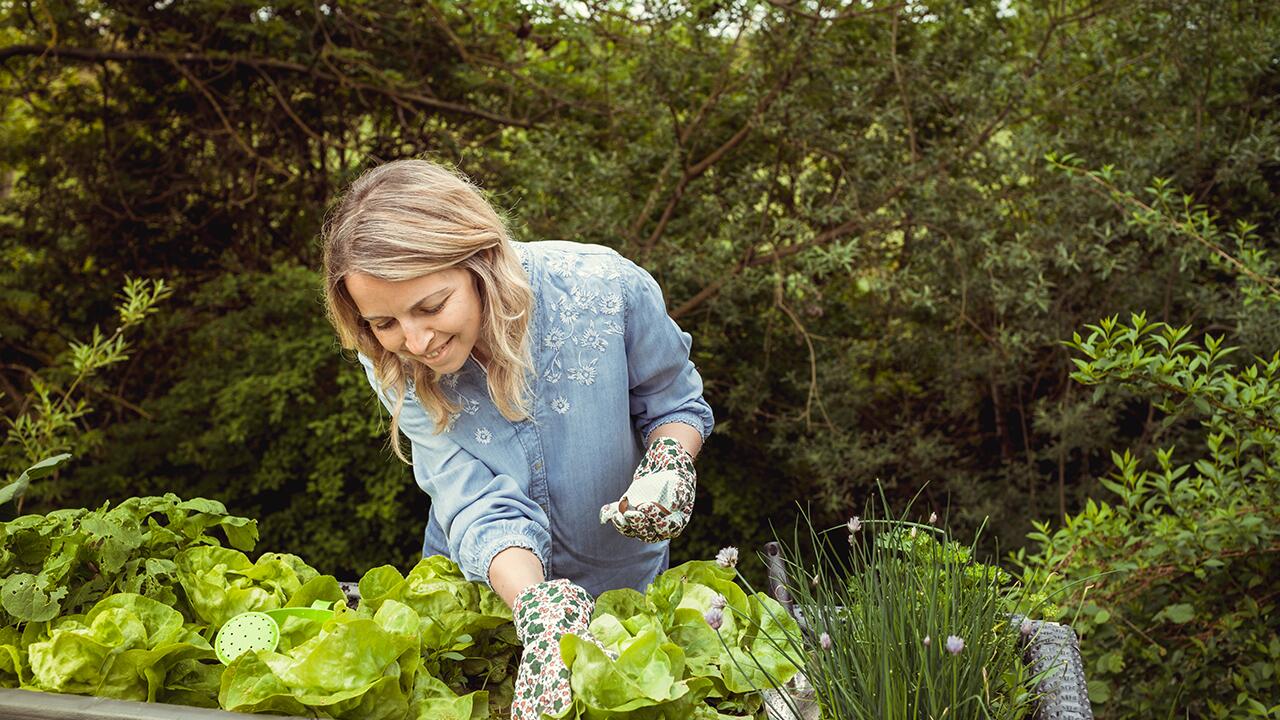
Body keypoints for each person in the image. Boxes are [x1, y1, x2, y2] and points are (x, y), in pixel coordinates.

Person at [319, 158, 714, 719]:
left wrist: (670, 462)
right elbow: (472, 499)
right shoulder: (390, 359)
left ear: (481, 261)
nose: (416, 339)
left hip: (623, 588)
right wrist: (539, 611)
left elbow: (673, 401)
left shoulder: (605, 285)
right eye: (384, 322)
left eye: (431, 306)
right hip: (484, 602)